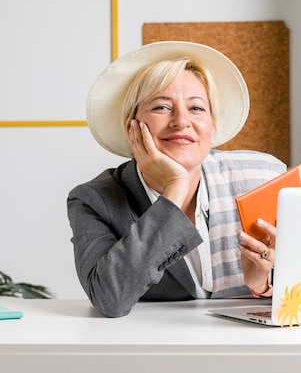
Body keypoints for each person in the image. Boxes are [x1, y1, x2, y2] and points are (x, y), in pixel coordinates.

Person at [67, 41, 286, 317]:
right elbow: (109, 300)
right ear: (132, 126)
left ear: (212, 125)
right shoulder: (93, 200)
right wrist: (174, 189)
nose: (181, 121)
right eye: (161, 107)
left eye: (196, 108)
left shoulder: (264, 177)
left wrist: (265, 284)